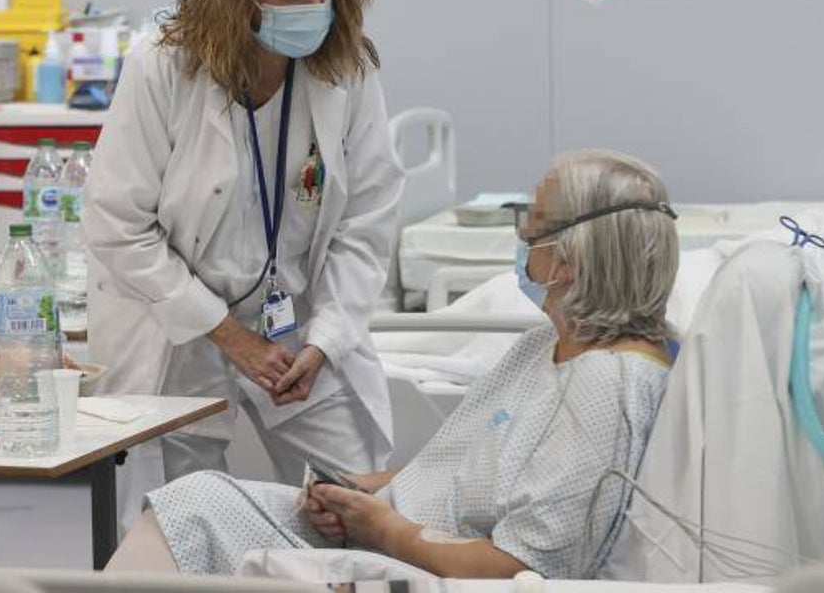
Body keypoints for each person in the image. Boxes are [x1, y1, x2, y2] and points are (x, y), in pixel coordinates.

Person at [105, 149, 678, 579]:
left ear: (572, 260)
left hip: (431, 571)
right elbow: (465, 466)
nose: (523, 233)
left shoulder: (606, 386)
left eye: (537, 223)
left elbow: (521, 566)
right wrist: (357, 491)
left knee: (198, 511)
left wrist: (380, 526)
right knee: (197, 499)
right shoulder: (542, 347)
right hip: (389, 534)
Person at [84, 0, 403, 521]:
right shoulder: (164, 67)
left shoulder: (344, 68)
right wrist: (228, 336)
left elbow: (366, 223)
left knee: (356, 503)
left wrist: (328, 341)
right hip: (182, 328)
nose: (313, 6)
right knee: (184, 516)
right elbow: (119, 226)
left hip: (300, 325)